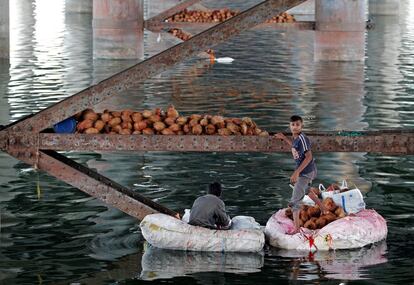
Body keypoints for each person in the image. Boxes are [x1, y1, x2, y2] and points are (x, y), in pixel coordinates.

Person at [275, 115, 328, 233]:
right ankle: (324, 208)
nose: (294, 127)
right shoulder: (296, 139)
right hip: (305, 171)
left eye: (297, 125)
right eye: (292, 125)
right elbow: (295, 147)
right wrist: (284, 138)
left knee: (295, 200)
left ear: (302, 126)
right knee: (307, 189)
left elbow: (309, 157)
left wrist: (296, 172)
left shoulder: (303, 139)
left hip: (306, 172)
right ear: (289, 126)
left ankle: (297, 229)